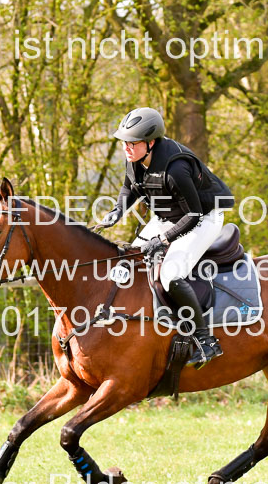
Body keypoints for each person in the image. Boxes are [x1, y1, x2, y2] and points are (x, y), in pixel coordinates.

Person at [100, 107, 235, 368]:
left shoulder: (176, 170)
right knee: (128, 261)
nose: (126, 148)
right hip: (168, 215)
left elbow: (193, 214)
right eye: (124, 143)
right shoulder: (135, 158)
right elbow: (129, 188)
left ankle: (206, 340)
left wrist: (162, 241)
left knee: (170, 275)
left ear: (151, 143)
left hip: (202, 218)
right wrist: (117, 211)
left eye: (132, 143)